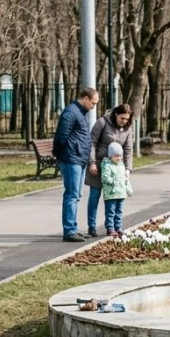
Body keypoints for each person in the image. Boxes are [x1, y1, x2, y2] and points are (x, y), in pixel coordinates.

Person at [53, 87, 99, 242]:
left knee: (76, 195)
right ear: (85, 99)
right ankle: (69, 230)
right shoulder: (71, 112)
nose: (93, 107)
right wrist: (59, 154)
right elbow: (61, 137)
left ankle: (72, 228)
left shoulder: (79, 112)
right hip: (71, 158)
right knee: (72, 195)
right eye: (93, 103)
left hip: (78, 158)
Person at [86, 104, 134, 237]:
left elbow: (128, 150)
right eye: (122, 118)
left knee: (115, 200)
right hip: (98, 166)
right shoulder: (102, 123)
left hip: (116, 169)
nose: (124, 121)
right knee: (94, 196)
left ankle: (113, 226)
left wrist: (128, 169)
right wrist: (92, 162)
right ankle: (92, 226)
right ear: (116, 114)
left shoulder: (127, 129)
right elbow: (92, 143)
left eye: (127, 119)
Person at [99, 142, 133, 238]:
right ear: (111, 156)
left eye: (120, 156)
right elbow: (105, 178)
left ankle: (118, 227)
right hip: (111, 193)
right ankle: (110, 228)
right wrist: (114, 181)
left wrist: (128, 189)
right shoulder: (106, 165)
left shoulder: (121, 166)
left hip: (120, 193)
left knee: (119, 211)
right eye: (116, 156)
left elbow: (125, 179)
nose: (119, 158)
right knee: (110, 212)